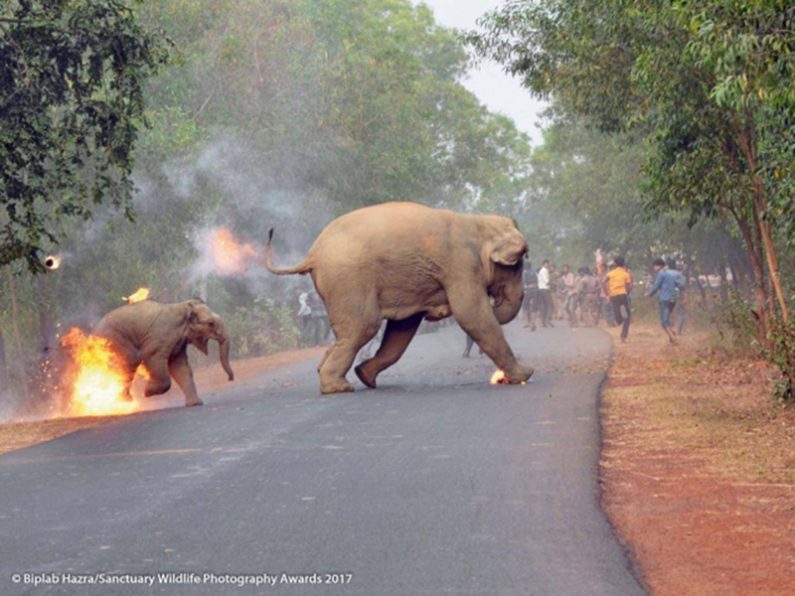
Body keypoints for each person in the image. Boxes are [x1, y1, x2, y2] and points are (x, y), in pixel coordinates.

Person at [647, 258, 686, 344]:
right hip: (673, 299)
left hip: (664, 299)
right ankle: (671, 336)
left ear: (659, 266)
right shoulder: (675, 274)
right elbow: (682, 286)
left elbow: (656, 286)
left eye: (654, 266)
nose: (653, 268)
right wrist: (683, 297)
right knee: (667, 318)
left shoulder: (661, 274)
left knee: (664, 321)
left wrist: (649, 294)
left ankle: (674, 339)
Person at [607, 256, 633, 342]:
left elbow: (603, 281)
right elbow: (629, 285)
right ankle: (623, 336)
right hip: (623, 294)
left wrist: (607, 292)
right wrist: (627, 292)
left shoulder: (610, 273)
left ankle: (619, 321)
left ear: (615, 264)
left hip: (613, 295)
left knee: (616, 313)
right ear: (624, 263)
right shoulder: (626, 274)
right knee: (628, 317)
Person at [668, 259, 687, 335]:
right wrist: (685, 298)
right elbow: (683, 287)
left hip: (667, 295)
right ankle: (678, 330)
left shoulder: (664, 274)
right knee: (681, 313)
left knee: (669, 313)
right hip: (677, 294)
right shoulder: (679, 274)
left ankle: (670, 329)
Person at [522, 260, 538, 331]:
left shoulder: (525, 273)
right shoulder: (535, 272)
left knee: (525, 306)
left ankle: (526, 322)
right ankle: (533, 322)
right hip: (535, 290)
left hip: (528, 291)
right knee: (534, 307)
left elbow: (524, 284)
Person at [537, 259, 553, 327]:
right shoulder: (544, 271)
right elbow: (547, 281)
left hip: (541, 289)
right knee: (549, 305)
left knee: (543, 306)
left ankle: (543, 322)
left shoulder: (541, 270)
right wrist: (554, 282)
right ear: (545, 264)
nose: (549, 265)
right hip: (545, 289)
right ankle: (547, 320)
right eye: (548, 264)